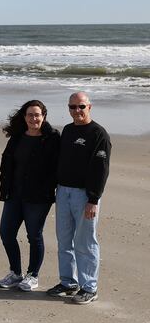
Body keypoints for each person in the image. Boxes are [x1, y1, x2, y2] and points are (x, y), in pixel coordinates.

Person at [46, 92, 111, 304]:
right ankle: (68, 283)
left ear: (89, 107)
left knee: (84, 241)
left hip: (85, 195)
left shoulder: (98, 133)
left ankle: (89, 287)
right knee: (64, 240)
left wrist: (94, 199)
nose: (77, 111)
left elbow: (101, 170)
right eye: (72, 107)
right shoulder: (68, 130)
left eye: (81, 106)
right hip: (63, 192)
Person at [0, 100, 60, 291]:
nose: (34, 118)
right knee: (6, 233)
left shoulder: (53, 138)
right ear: (24, 117)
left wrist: (48, 187)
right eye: (30, 115)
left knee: (34, 235)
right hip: (14, 195)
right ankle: (16, 273)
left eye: (37, 115)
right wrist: (5, 187)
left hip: (38, 198)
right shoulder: (17, 137)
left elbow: (59, 167)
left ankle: (33, 275)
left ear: (44, 116)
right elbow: (6, 163)